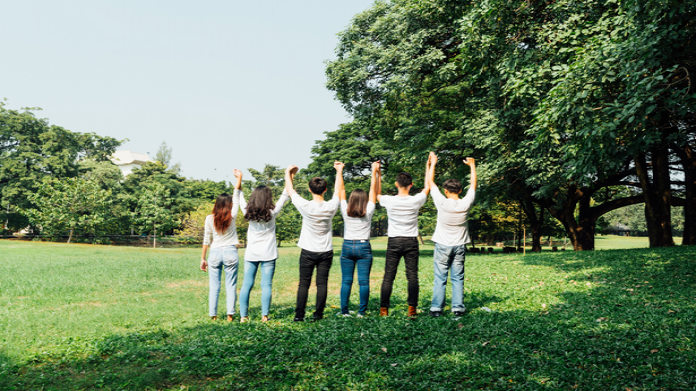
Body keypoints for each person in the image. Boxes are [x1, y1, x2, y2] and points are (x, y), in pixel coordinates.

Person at [376, 157, 432, 317]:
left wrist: (377, 173)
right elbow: (428, 186)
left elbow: (377, 193)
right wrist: (427, 166)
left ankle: (384, 310)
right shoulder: (416, 200)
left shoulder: (389, 200)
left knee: (388, 276)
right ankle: (412, 309)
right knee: (412, 276)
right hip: (411, 241)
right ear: (411, 185)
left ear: (396, 184)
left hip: (394, 241)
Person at [284, 163, 341, 322]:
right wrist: (339, 171)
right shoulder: (331, 206)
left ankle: (299, 316)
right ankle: (318, 315)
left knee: (304, 284)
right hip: (326, 251)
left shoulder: (305, 206)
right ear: (325, 190)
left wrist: (288, 172)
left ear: (309, 190)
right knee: (322, 284)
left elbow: (290, 190)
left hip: (308, 251)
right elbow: (338, 190)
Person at [426, 152, 477, 317]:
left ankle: (436, 309)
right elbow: (474, 186)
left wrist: (432, 163)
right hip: (459, 246)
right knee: (458, 278)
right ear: (460, 190)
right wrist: (472, 166)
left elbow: (430, 182)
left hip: (442, 245)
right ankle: (458, 309)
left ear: (445, 191)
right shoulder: (466, 203)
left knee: (440, 278)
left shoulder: (441, 202)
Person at [236, 169, 290, 323]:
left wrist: (239, 178)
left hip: (251, 254)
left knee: (247, 285)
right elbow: (285, 194)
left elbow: (238, 195)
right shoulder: (272, 212)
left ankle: (243, 317)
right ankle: (264, 316)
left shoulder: (247, 211)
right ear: (268, 198)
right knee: (266, 285)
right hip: (269, 254)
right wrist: (290, 175)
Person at [336, 161, 381, 317]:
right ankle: (361, 312)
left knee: (346, 281)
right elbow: (372, 191)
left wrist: (339, 171)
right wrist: (374, 171)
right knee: (364, 282)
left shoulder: (345, 210)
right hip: (363, 247)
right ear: (364, 200)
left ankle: (344, 311)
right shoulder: (368, 210)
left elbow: (341, 190)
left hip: (347, 246)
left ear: (351, 200)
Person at [200, 172, 243, 321]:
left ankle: (213, 316)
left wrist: (202, 259)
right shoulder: (233, 215)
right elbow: (237, 195)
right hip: (231, 251)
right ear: (229, 204)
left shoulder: (209, 218)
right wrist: (239, 178)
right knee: (231, 285)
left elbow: (206, 239)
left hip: (215, 253)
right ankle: (230, 315)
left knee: (214, 286)